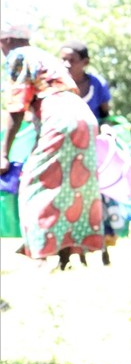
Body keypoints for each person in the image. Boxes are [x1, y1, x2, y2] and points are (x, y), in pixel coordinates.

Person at [0, 20, 103, 271]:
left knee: (33, 184)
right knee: (73, 185)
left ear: (9, 40)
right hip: (83, 117)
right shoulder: (44, 57)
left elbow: (16, 108)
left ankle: (41, 254)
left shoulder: (18, 56)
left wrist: (3, 153)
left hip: (59, 117)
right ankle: (69, 253)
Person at [59, 40, 116, 265]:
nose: (65, 64)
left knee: (94, 202)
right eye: (62, 59)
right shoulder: (57, 85)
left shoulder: (97, 85)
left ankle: (102, 255)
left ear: (85, 62)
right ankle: (65, 258)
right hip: (65, 152)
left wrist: (107, 130)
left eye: (71, 60)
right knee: (66, 202)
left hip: (91, 153)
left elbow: (106, 117)